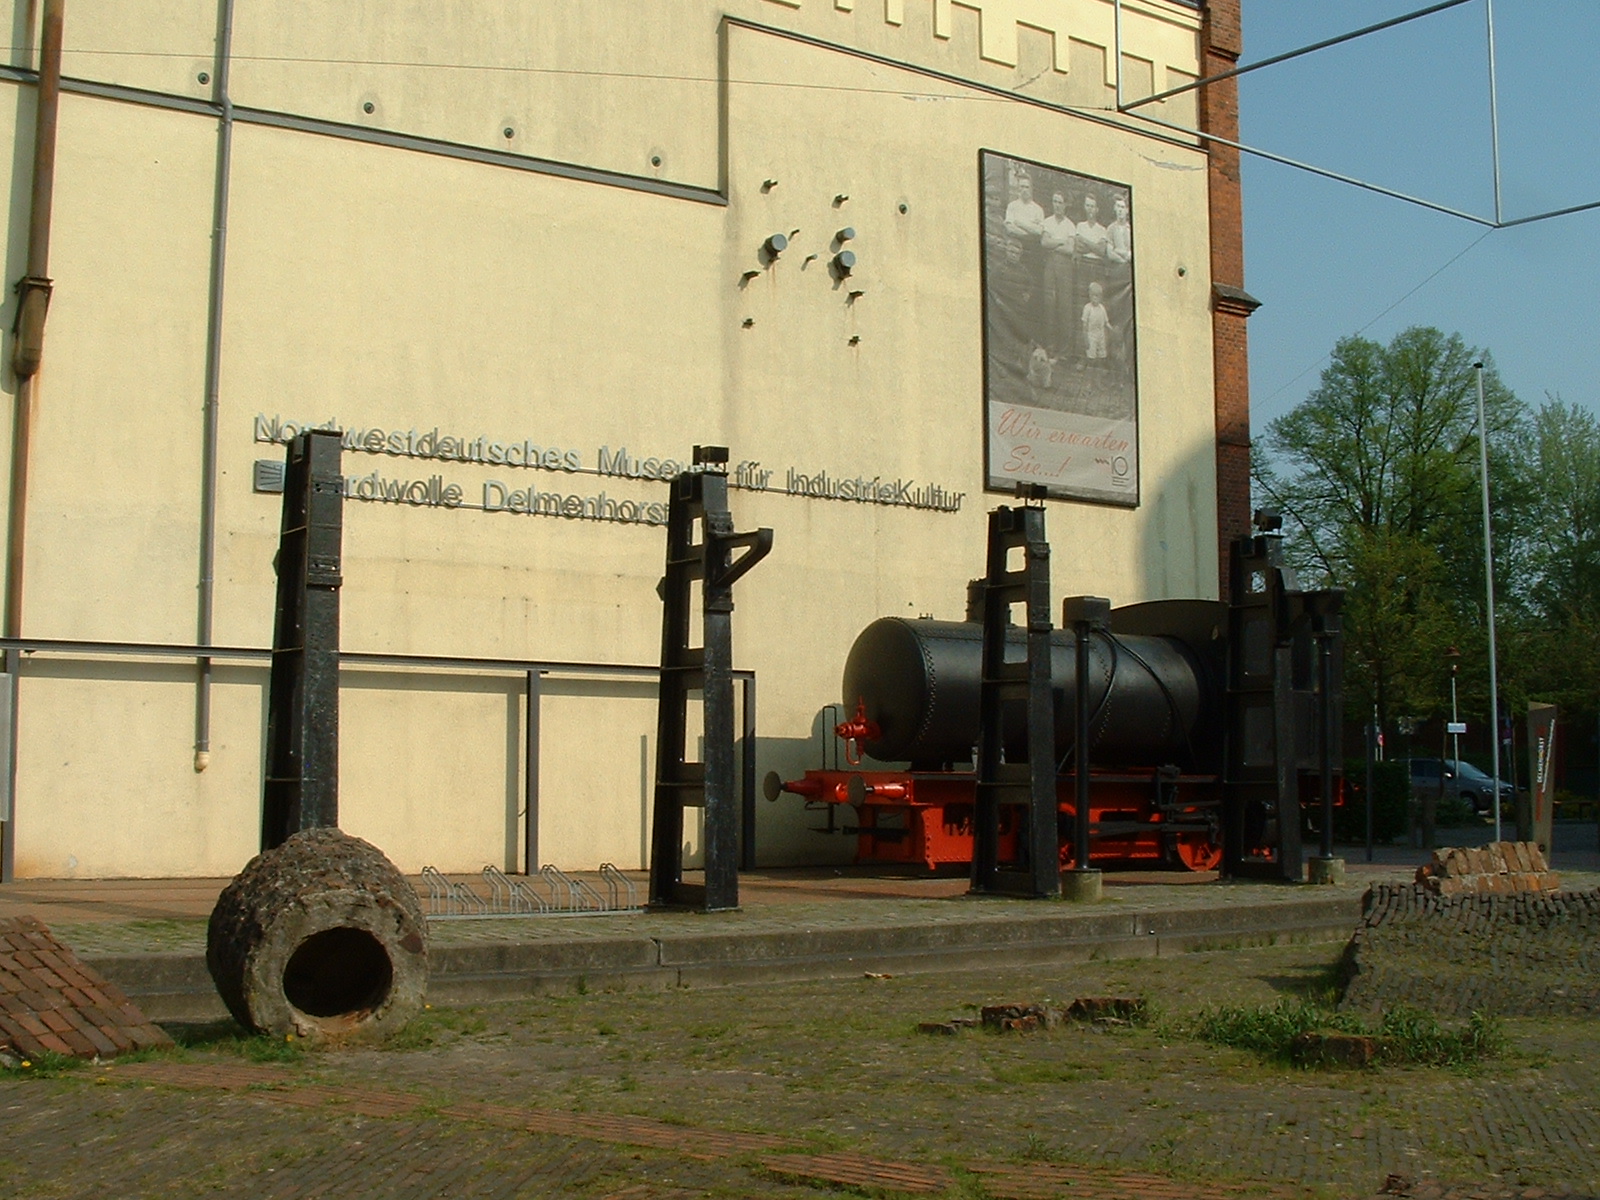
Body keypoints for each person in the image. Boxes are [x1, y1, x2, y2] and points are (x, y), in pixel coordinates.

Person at [1040, 191, 1077, 357]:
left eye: (1060, 202)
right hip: (1050, 263)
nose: (1057, 205)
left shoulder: (1070, 225)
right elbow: (1044, 242)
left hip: (1065, 267)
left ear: (1065, 205)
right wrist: (1061, 241)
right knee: (1049, 303)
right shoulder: (1047, 222)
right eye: (1055, 202)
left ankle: (1065, 350)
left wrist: (1054, 244)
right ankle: (1050, 346)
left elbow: (1070, 249)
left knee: (1064, 305)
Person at [1081, 281, 1109, 362]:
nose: (1095, 298)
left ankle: (1100, 368)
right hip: (1091, 334)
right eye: (1092, 295)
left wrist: (1112, 330)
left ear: (1100, 297)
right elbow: (1084, 325)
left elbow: (1106, 322)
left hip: (1101, 334)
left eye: (1097, 296)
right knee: (1091, 353)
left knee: (1102, 353)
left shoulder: (1102, 308)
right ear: (1089, 296)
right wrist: (1085, 338)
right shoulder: (1087, 308)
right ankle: (1090, 366)